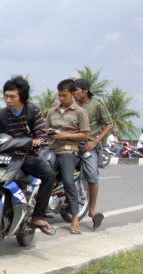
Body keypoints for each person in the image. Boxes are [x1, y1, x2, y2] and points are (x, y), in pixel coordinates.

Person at [0, 75, 57, 249]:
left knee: (49, 174)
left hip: (25, 157)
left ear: (21, 96)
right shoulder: (2, 114)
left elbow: (42, 134)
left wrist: (38, 141)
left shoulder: (32, 112)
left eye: (12, 97)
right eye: (6, 96)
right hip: (3, 157)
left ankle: (38, 216)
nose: (8, 100)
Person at [45, 79, 89, 234]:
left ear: (72, 94)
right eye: (59, 95)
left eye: (64, 95)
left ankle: (75, 219)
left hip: (68, 150)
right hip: (50, 149)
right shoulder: (52, 111)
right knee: (40, 175)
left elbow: (84, 134)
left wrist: (63, 134)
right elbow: (45, 130)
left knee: (68, 181)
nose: (61, 98)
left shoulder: (80, 112)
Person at [72, 78, 114, 230]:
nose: (73, 94)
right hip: (71, 144)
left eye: (75, 91)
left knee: (92, 175)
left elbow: (110, 125)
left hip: (88, 145)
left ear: (84, 90)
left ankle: (92, 210)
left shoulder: (96, 105)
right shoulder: (72, 105)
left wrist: (95, 142)